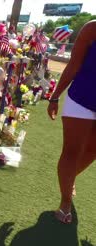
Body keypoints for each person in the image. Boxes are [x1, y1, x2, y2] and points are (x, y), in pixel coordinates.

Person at [47, 21, 96, 224]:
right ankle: (65, 200)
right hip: (82, 98)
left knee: (93, 150)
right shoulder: (92, 29)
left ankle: (68, 179)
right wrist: (55, 96)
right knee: (72, 151)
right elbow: (74, 64)